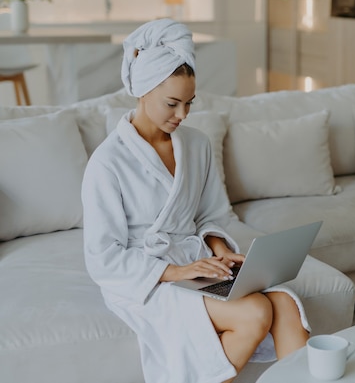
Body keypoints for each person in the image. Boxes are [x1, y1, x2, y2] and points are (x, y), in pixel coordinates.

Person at [81, 19, 309, 383]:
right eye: (171, 103)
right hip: (147, 277)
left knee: (284, 304)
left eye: (189, 103)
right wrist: (174, 272)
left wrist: (218, 250)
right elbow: (102, 257)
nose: (182, 115)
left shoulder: (197, 145)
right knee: (254, 313)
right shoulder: (108, 162)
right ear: (143, 91)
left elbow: (211, 214)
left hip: (196, 264)